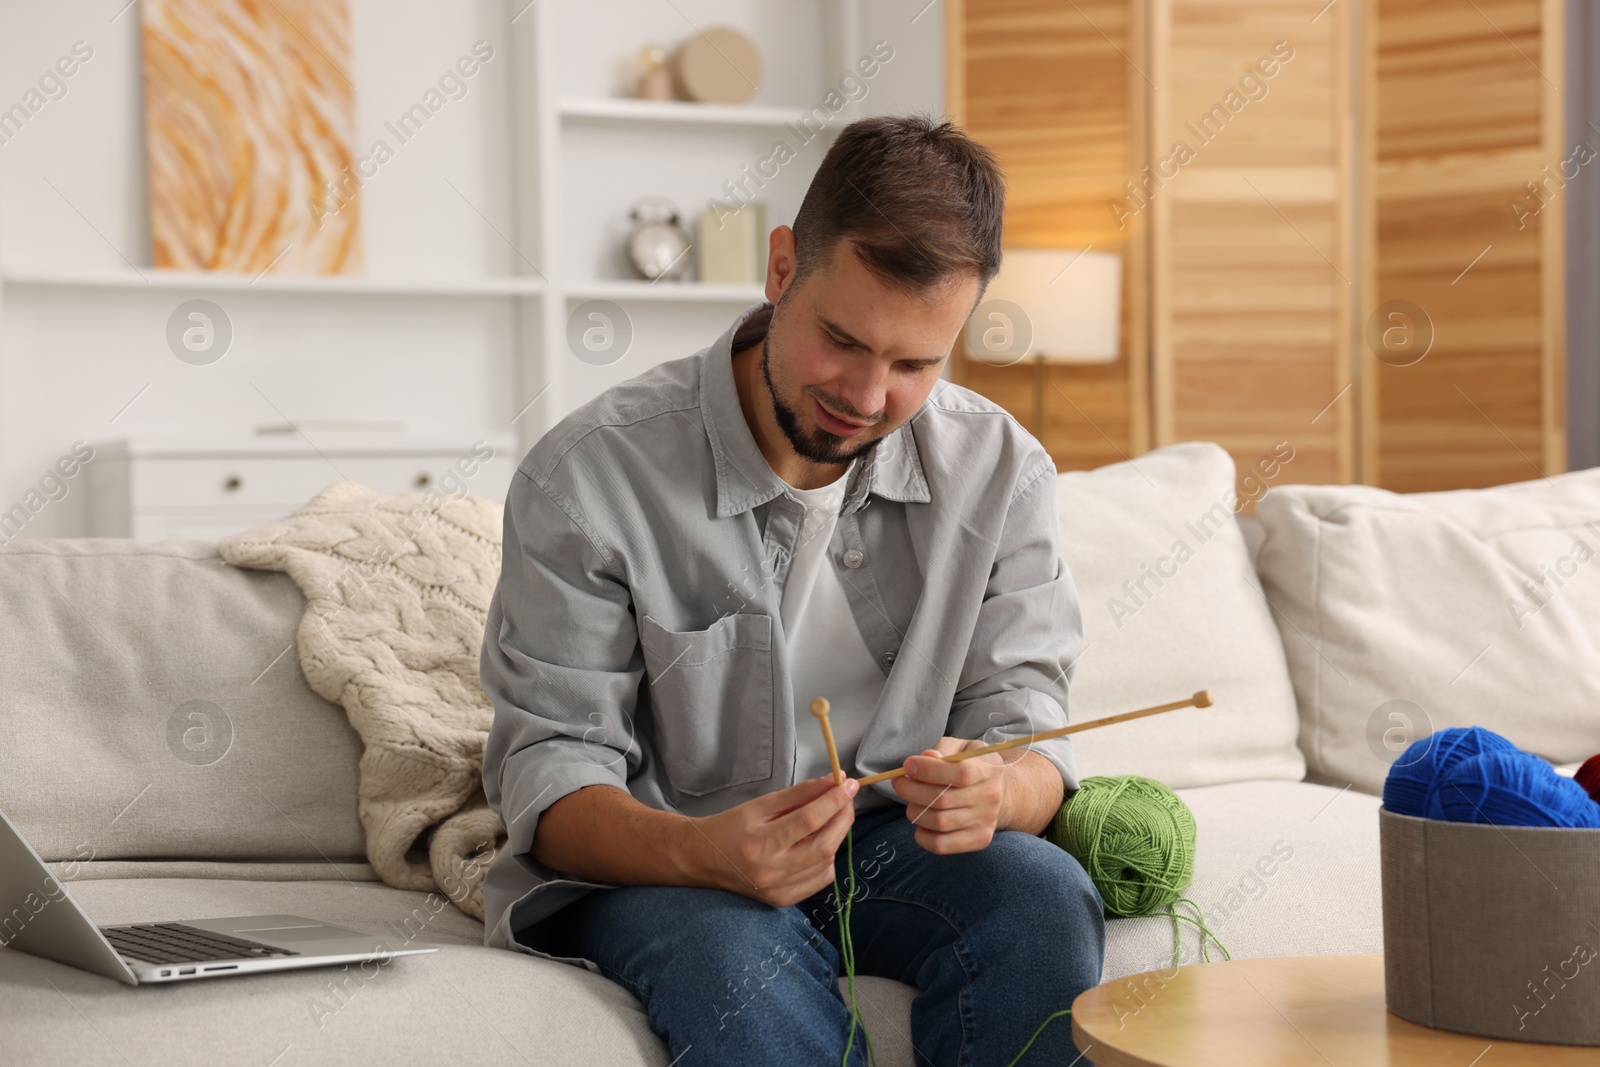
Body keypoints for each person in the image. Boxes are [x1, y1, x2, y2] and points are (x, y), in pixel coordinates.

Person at [478, 113, 1104, 1066]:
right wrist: (705, 852)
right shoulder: (589, 477)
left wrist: (1001, 790)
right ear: (781, 271)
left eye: (914, 364)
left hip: (888, 846)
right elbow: (553, 773)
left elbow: (1027, 722)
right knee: (735, 962)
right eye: (842, 340)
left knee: (1041, 892)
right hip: (670, 864)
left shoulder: (1004, 472)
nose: (864, 394)